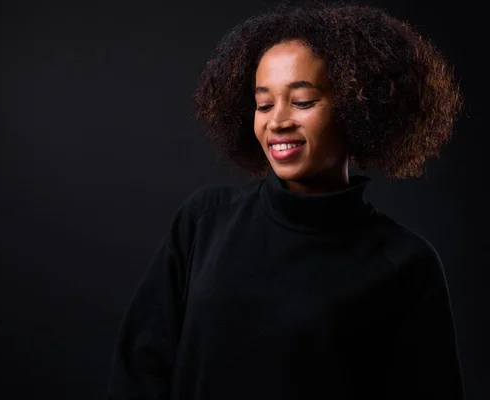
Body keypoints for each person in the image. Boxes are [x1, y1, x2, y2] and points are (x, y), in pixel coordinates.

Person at [106, 2, 465, 399]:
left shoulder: (404, 262)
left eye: (303, 101)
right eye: (263, 104)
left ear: (357, 109)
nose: (277, 121)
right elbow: (139, 372)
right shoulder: (205, 221)